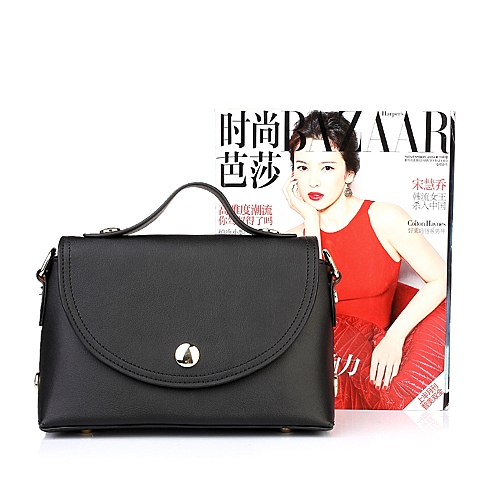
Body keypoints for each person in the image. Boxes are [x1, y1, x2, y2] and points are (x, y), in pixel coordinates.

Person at [282, 111, 447, 409]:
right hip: (314, 371)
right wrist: (310, 221)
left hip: (369, 369)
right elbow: (312, 307)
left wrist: (395, 337)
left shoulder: (386, 218)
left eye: (327, 167)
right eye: (303, 167)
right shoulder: (291, 239)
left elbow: (441, 278)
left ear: (349, 173)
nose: (313, 181)